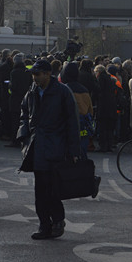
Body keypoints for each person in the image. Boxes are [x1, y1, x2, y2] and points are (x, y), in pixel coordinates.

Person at [16, 59, 81, 240]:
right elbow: (24, 113)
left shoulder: (62, 92)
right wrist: (24, 135)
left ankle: (57, 220)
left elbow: (72, 122)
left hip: (56, 146)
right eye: (33, 74)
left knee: (52, 187)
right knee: (40, 189)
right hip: (37, 145)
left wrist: (74, 150)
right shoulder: (32, 91)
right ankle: (44, 225)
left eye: (37, 74)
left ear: (47, 74)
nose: (35, 77)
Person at [60, 62, 95, 161]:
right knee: (82, 154)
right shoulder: (84, 90)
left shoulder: (64, 89)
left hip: (68, 127)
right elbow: (90, 110)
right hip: (83, 128)